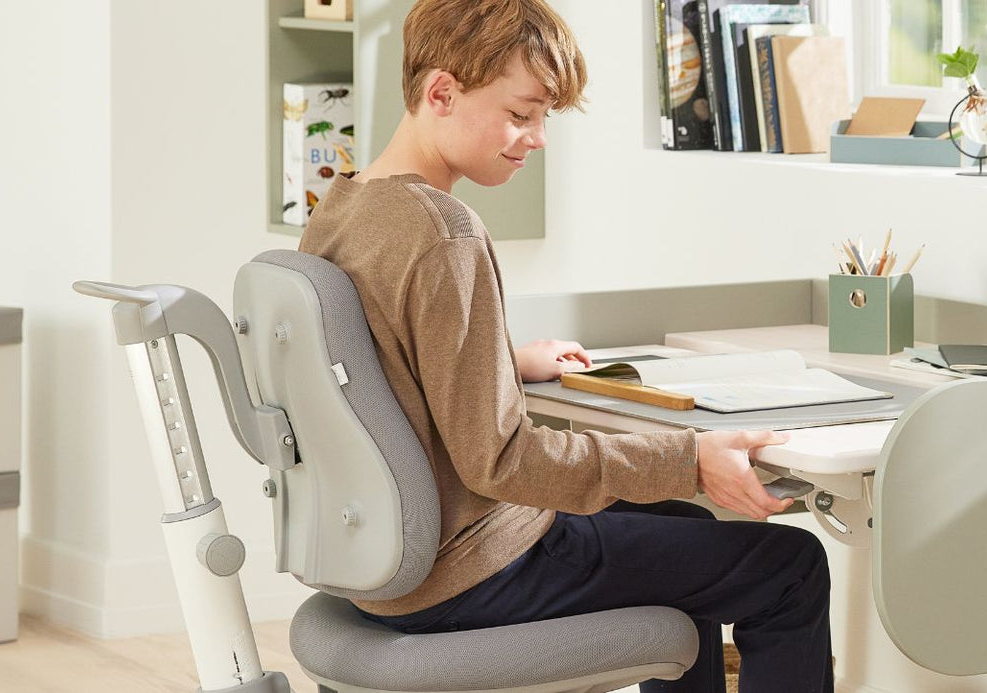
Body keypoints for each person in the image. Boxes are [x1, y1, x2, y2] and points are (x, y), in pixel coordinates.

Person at [293, 1, 832, 690]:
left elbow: (373, 368)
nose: (537, 136)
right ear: (440, 92)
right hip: (474, 565)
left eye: (545, 116)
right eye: (521, 113)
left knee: (683, 526)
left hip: (388, 560)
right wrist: (687, 458)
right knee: (791, 567)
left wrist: (502, 363)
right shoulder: (444, 234)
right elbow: (501, 459)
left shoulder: (343, 208)